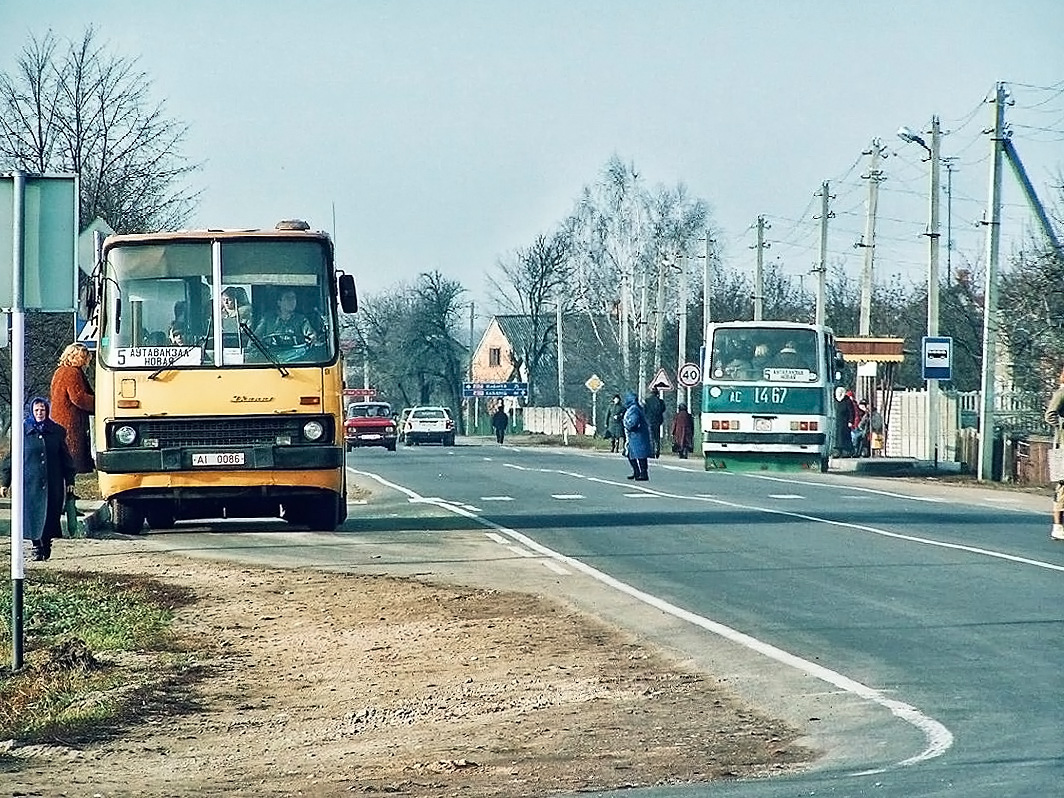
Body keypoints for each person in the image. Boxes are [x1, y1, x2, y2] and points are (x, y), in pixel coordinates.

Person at [1, 397, 77, 561]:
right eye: (36, 410)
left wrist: (70, 481)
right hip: (30, 484)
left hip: (52, 484)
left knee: (49, 516)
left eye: (42, 410)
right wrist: (4, 482)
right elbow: (11, 459)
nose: (39, 413)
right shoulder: (22, 431)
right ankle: (36, 548)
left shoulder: (56, 431)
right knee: (33, 517)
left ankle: (46, 545)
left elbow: (66, 459)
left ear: (47, 411)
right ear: (31, 412)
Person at [49, 342, 95, 474]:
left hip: (59, 417)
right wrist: (98, 404)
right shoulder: (72, 373)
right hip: (71, 419)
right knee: (72, 453)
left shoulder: (60, 371)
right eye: (82, 357)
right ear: (71, 357)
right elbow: (78, 397)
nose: (85, 360)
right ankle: (69, 488)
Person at [252, 288, 318, 351]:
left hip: (296, 357)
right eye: (288, 298)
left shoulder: (301, 319)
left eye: (294, 298)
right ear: (279, 302)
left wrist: (312, 338)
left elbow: (311, 335)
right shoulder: (268, 319)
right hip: (271, 355)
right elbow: (254, 338)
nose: (292, 301)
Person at [1044, 366, 1064, 540]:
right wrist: (1061, 426)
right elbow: (1050, 414)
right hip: (1062, 446)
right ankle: (1057, 526)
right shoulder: (1062, 392)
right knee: (1063, 486)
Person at [622, 391, 652, 481]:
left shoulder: (633, 409)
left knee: (639, 454)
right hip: (636, 435)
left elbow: (633, 422)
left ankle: (642, 473)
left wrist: (626, 424)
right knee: (630, 454)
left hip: (636, 435)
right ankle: (637, 472)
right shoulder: (635, 408)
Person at [644, 388, 666, 458]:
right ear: (657, 394)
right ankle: (657, 450)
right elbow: (663, 409)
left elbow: (644, 411)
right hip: (658, 421)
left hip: (649, 421)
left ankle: (652, 452)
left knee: (651, 437)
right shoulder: (661, 401)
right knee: (657, 437)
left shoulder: (647, 401)